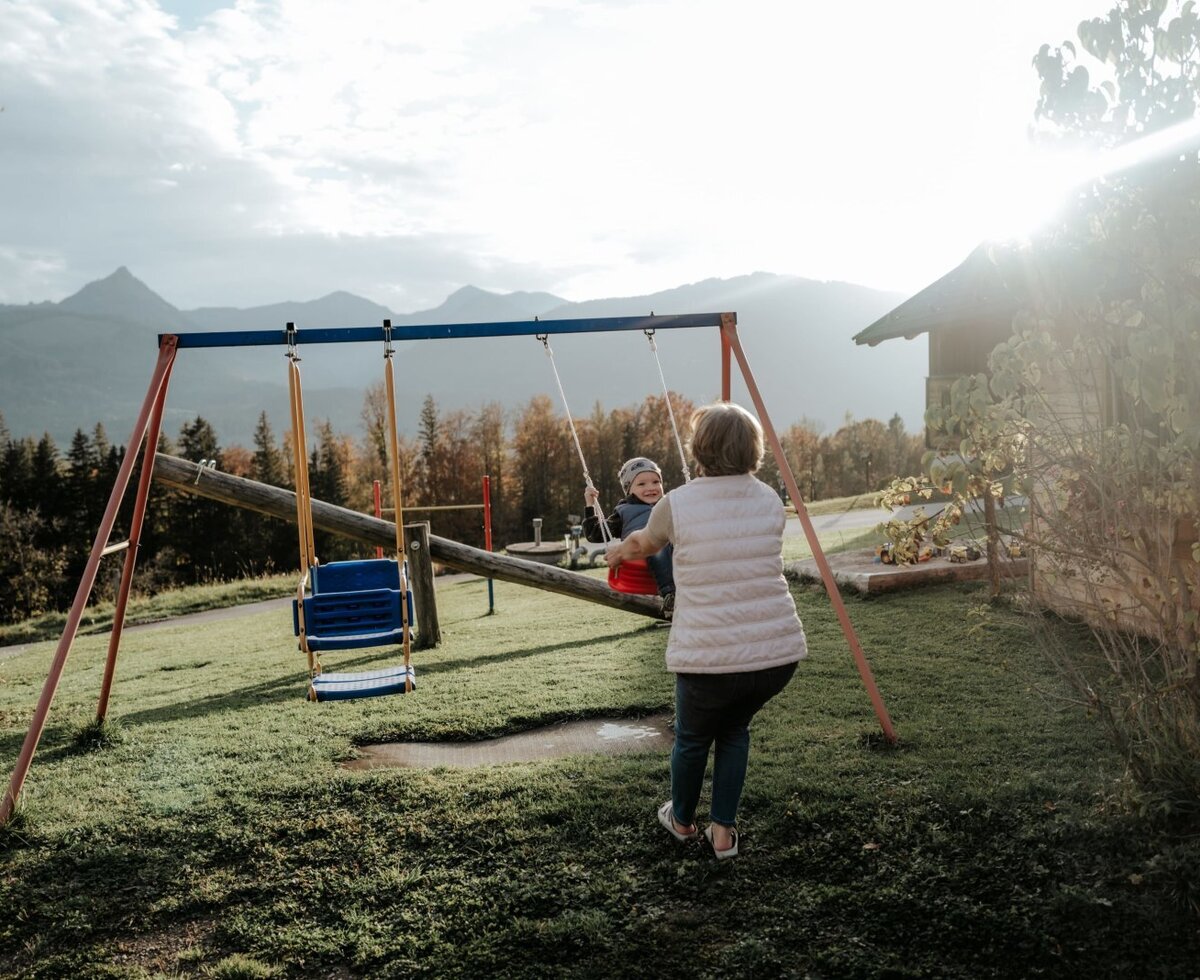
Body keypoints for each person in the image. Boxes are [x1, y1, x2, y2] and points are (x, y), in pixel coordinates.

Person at [605, 403, 807, 860]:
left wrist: (618, 552)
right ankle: (723, 834)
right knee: (734, 731)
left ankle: (681, 820)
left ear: (701, 450)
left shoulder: (679, 502)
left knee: (694, 738)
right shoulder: (769, 499)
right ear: (752, 450)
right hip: (773, 654)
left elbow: (644, 544)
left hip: (710, 655)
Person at [583, 456, 676, 616]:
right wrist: (590, 505)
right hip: (642, 555)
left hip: (676, 554)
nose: (651, 487)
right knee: (657, 546)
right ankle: (671, 595)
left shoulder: (669, 504)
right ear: (628, 489)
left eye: (656, 482)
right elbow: (595, 534)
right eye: (641, 484)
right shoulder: (624, 512)